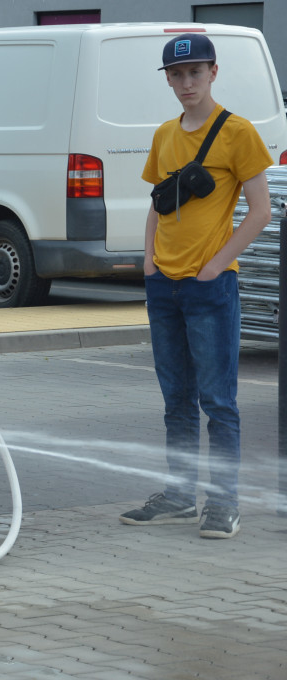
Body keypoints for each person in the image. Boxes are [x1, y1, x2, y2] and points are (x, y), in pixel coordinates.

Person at [119, 33, 271, 539]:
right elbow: (156, 202)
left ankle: (223, 504)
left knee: (218, 401)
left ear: (213, 73)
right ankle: (180, 495)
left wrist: (216, 265)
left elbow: (261, 211)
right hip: (164, 285)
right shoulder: (165, 134)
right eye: (177, 75)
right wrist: (148, 261)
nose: (186, 83)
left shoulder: (238, 132)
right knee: (176, 399)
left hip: (209, 287)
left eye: (195, 73)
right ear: (167, 79)